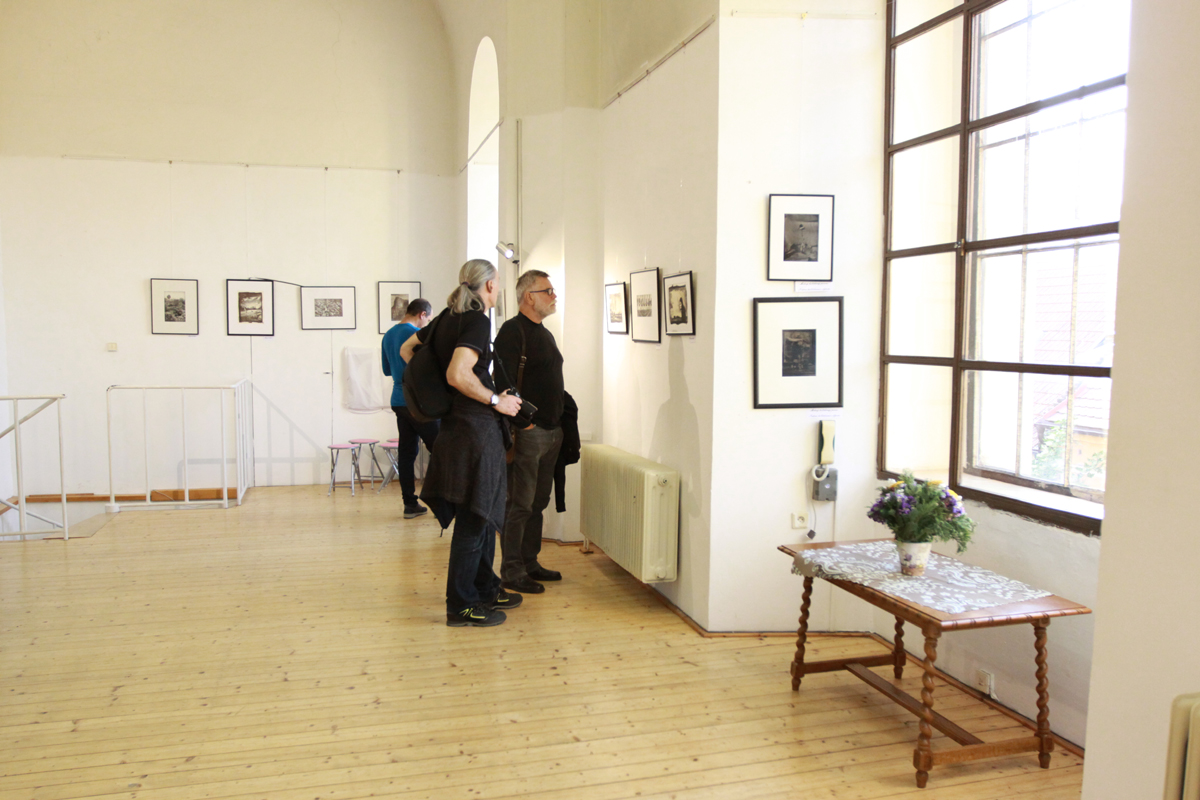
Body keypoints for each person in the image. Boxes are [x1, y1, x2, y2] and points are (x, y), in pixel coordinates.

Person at [399, 260, 524, 628]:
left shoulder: (443, 319)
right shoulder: (475, 320)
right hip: (474, 431)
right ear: (489, 286)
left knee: (482, 515)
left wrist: (438, 394)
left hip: (461, 427)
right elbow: (457, 373)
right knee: (474, 517)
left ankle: (485, 588)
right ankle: (462, 604)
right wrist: (495, 400)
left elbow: (408, 349)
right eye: (498, 282)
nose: (499, 288)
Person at [494, 270, 565, 595]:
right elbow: (504, 382)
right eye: (547, 290)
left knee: (538, 502)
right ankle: (512, 571)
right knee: (519, 505)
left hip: (551, 432)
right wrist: (526, 424)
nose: (554, 296)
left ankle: (529, 561)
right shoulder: (513, 331)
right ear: (528, 297)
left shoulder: (543, 333)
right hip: (529, 433)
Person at [381, 298, 439, 519]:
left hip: (398, 400)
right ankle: (442, 503)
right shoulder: (416, 335)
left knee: (406, 453)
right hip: (419, 401)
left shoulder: (388, 335)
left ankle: (410, 504)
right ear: (422, 314)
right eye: (428, 319)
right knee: (441, 450)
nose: (427, 323)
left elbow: (387, 370)